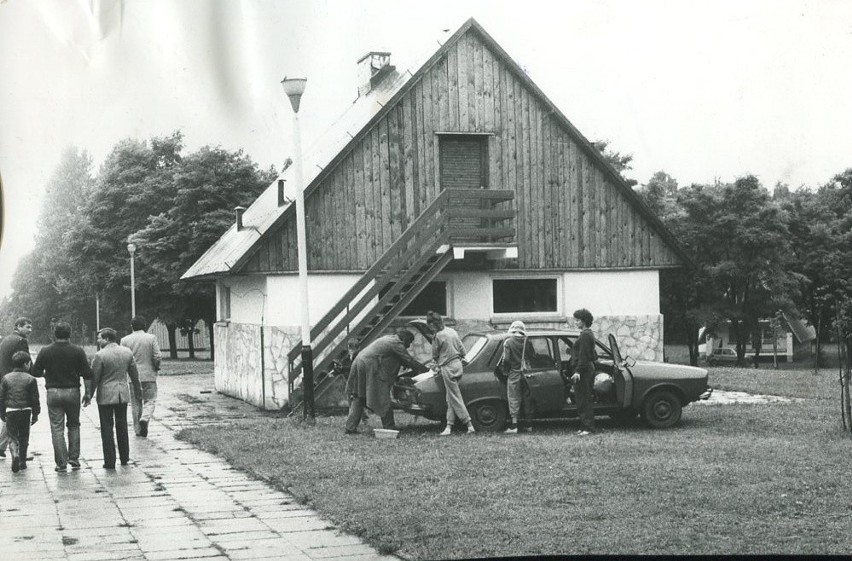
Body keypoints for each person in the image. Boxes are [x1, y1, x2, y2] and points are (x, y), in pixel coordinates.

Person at [32, 322, 92, 471]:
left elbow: (36, 372)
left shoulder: (45, 351)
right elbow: (87, 374)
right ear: (70, 334)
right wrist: (88, 393)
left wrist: (47, 374)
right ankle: (74, 458)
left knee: (56, 428)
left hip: (53, 392)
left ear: (54, 334)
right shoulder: (78, 351)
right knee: (74, 425)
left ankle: (61, 463)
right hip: (72, 391)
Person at [344, 329, 429, 434]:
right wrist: (428, 372)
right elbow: (409, 360)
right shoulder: (396, 343)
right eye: (409, 342)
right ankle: (389, 427)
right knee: (383, 396)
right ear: (404, 339)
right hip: (368, 366)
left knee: (359, 396)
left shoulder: (389, 339)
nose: (408, 346)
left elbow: (396, 358)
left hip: (359, 362)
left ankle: (350, 428)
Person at [85, 328, 142, 469]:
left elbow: (95, 378)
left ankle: (110, 461)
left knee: (107, 427)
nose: (98, 341)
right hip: (122, 393)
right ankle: (124, 457)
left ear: (107, 338)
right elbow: (134, 374)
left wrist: (89, 395)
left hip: (105, 395)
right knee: (122, 426)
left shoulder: (100, 356)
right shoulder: (127, 352)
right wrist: (138, 389)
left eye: (99, 338)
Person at [426, 311, 474, 436]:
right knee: (451, 398)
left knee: (455, 397)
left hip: (448, 368)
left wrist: (434, 365)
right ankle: (448, 427)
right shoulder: (452, 331)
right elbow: (462, 350)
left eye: (429, 325)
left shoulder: (437, 336)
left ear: (432, 325)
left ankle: (469, 424)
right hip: (458, 365)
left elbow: (435, 356)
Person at [120, 316, 162, 437]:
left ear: (131, 326)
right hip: (149, 375)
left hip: (133, 377)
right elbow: (157, 356)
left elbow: (123, 358)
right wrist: (156, 366)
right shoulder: (151, 338)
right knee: (150, 400)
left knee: (135, 403)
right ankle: (145, 418)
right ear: (144, 325)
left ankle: (138, 430)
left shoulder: (125, 340)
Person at [0, 351, 40, 473]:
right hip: (26, 410)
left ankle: (14, 454)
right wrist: (36, 414)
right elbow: (35, 399)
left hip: (11, 410)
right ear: (25, 364)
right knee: (24, 436)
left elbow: (1, 397)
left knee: (12, 436)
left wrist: (2, 412)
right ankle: (22, 461)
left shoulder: (6, 378)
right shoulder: (31, 379)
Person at [0, 317, 32, 459]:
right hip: (16, 381)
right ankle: (18, 452)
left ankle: (2, 446)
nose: (30, 330)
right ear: (18, 326)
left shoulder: (6, 339)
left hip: (4, 378)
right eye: (27, 327)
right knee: (18, 415)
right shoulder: (21, 341)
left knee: (10, 414)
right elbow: (25, 361)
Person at [501, 320, 534, 434]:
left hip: (514, 373)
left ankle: (514, 425)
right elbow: (532, 355)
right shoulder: (527, 341)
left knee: (513, 398)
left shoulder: (508, 342)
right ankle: (529, 425)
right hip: (527, 373)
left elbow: (506, 359)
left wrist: (506, 371)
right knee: (527, 398)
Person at [570, 308, 598, 435]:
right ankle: (584, 426)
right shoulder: (586, 334)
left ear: (584, 321)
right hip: (585, 369)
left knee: (584, 399)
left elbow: (584, 355)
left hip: (584, 370)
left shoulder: (585, 335)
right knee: (581, 398)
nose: (575, 322)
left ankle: (588, 427)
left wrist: (578, 371)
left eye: (577, 320)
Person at [331, 339, 369, 427]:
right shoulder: (347, 359)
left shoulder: (359, 358)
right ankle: (353, 419)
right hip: (350, 383)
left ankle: (364, 420)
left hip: (358, 384)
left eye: (353, 348)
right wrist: (336, 371)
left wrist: (343, 368)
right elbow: (343, 368)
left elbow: (353, 368)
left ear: (358, 348)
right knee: (351, 402)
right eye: (350, 348)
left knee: (359, 402)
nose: (351, 351)